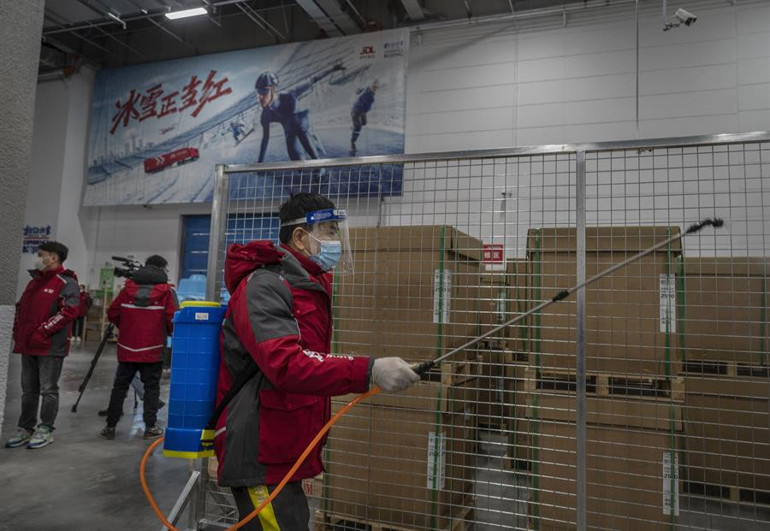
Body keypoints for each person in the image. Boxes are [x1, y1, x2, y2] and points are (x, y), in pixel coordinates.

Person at [213, 192, 419, 530]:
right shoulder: (264, 286)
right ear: (299, 237)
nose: (336, 240)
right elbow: (287, 364)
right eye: (328, 231)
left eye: (337, 231)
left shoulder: (307, 285)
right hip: (261, 448)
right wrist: (370, 369)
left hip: (283, 445)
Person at [5, 241, 79, 449]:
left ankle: (45, 429)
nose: (37, 258)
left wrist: (42, 331)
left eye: (41, 254)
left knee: (48, 389)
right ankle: (25, 428)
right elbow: (22, 309)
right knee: (28, 390)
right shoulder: (34, 282)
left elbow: (68, 312)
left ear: (53, 258)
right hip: (28, 345)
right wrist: (19, 333)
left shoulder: (66, 282)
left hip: (50, 346)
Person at [98, 255, 176, 441]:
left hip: (127, 347)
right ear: (162, 269)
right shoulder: (166, 293)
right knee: (151, 388)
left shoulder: (127, 290)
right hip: (153, 348)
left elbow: (113, 313)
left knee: (119, 387)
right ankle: (150, 427)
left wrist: (126, 328)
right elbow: (171, 319)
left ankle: (110, 426)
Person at [254, 64, 343, 163]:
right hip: (290, 130)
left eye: (264, 92)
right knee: (297, 163)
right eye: (258, 93)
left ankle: (317, 157)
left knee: (301, 129)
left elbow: (313, 79)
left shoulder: (289, 95)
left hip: (303, 126)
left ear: (273, 90)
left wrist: (332, 69)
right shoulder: (265, 114)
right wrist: (259, 164)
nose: (260, 98)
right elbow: (265, 139)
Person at [349, 79, 379, 156]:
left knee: (364, 123)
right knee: (358, 127)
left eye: (376, 88)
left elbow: (358, 91)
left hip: (362, 111)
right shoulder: (369, 95)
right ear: (372, 86)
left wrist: (359, 90)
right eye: (374, 87)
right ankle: (353, 143)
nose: (375, 89)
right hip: (356, 111)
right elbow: (367, 104)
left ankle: (354, 126)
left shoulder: (368, 91)